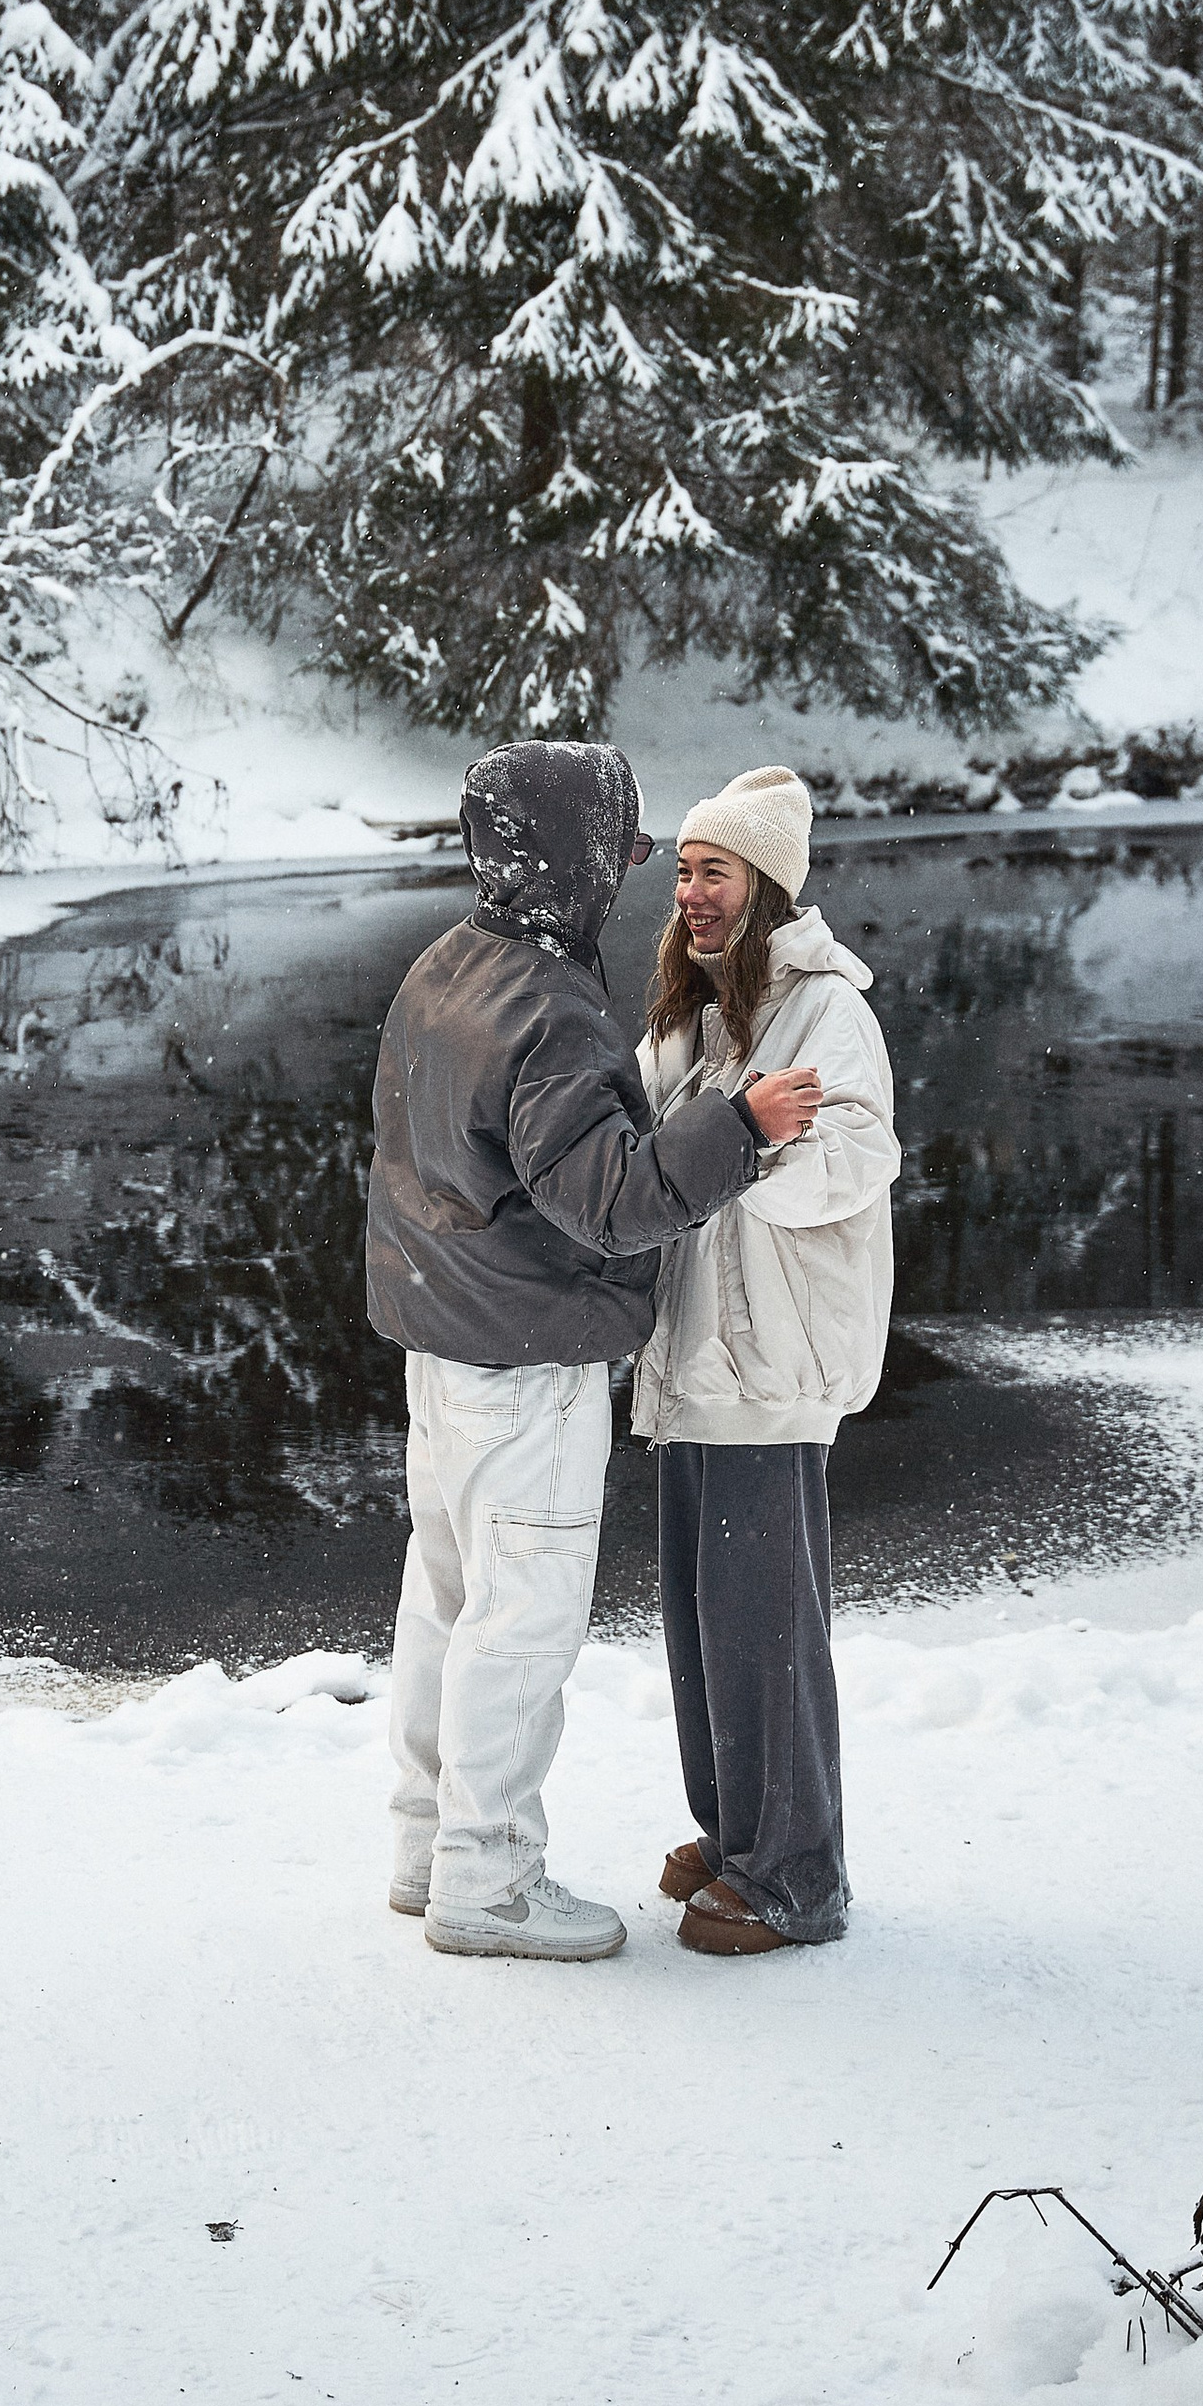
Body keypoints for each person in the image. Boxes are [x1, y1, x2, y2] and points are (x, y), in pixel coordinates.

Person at [366, 741, 826, 1963]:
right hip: (527, 1362)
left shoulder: (444, 966)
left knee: (446, 1603)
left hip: (444, 1344)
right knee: (518, 1623)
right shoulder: (551, 1009)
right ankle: (489, 1881)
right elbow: (606, 1203)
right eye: (621, 855)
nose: (636, 882)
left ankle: (426, 1848)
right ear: (574, 865)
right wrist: (738, 1126)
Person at [630, 765, 900, 1960]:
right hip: (689, 1362)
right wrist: (720, 1133)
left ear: (769, 885)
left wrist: (752, 1149)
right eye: (685, 870)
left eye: (715, 872)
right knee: (699, 1621)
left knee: (763, 1625)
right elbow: (660, 1165)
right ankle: (738, 1829)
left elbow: (855, 1158)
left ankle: (796, 1875)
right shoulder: (694, 1014)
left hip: (768, 1358)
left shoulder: (825, 1007)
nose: (691, 893)